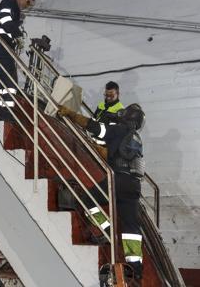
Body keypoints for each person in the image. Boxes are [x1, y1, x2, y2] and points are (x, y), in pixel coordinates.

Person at [58, 103, 145, 282]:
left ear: (126, 116)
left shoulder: (118, 129)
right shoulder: (135, 138)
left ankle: (106, 230)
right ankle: (135, 269)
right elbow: (116, 154)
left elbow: (94, 126)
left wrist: (71, 114)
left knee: (86, 201)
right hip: (133, 185)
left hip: (117, 180)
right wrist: (98, 149)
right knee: (131, 229)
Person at [0, 0, 36, 121]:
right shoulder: (8, 3)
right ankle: (7, 113)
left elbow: (8, 25)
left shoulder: (13, 10)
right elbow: (6, 22)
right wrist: (18, 35)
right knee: (9, 79)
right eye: (28, 1)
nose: (28, 5)